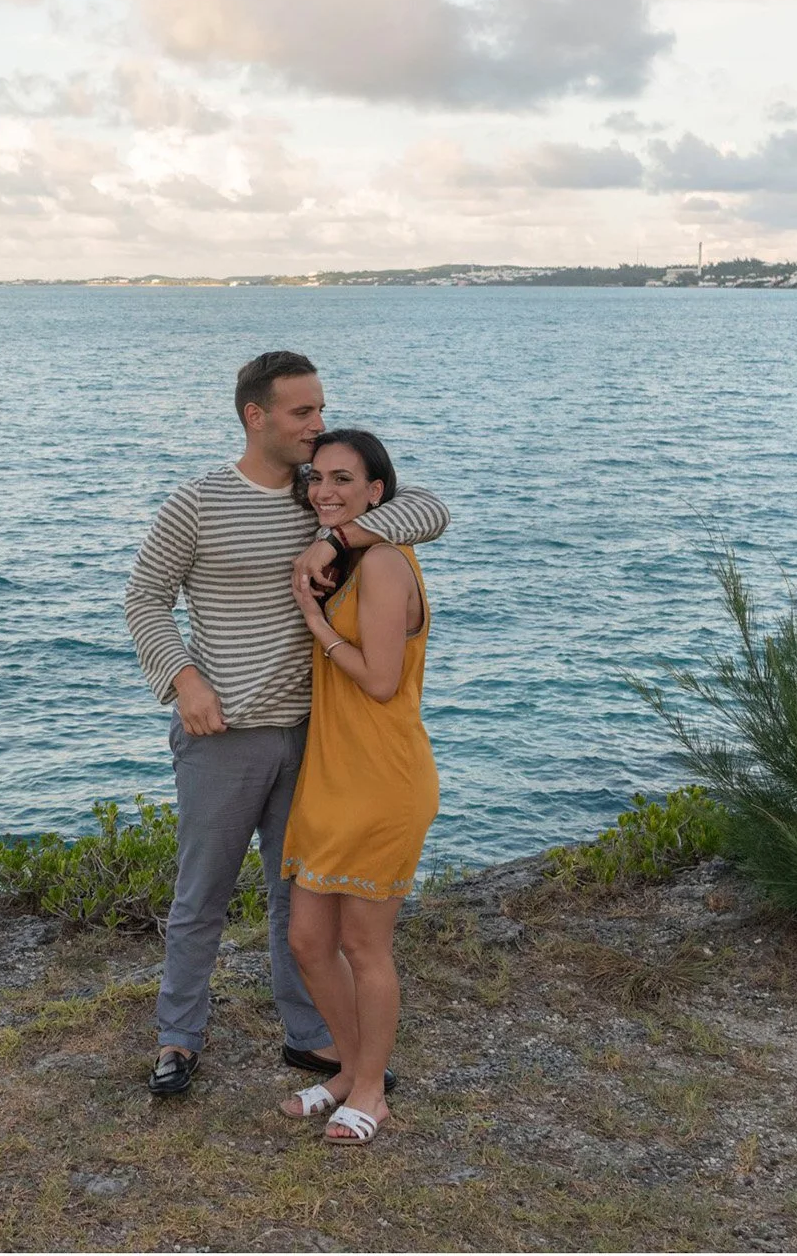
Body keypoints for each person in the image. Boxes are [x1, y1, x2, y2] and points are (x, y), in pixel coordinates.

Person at [124, 351, 448, 1100]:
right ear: (256, 416)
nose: (318, 424)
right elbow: (144, 598)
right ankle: (179, 1035)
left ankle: (310, 1037)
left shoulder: (321, 500)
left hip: (313, 739)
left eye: (320, 409)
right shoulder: (197, 502)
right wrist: (184, 678)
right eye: (303, 412)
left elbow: (428, 508)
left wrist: (336, 539)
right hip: (223, 735)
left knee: (295, 902)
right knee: (201, 894)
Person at [276, 429, 438, 1146]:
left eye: (344, 478)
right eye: (317, 477)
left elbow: (380, 681)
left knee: (366, 946)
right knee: (310, 938)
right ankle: (347, 1068)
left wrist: (314, 621)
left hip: (381, 777)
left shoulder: (384, 567)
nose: (325, 489)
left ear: (377, 493)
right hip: (332, 775)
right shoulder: (351, 556)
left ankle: (372, 1089)